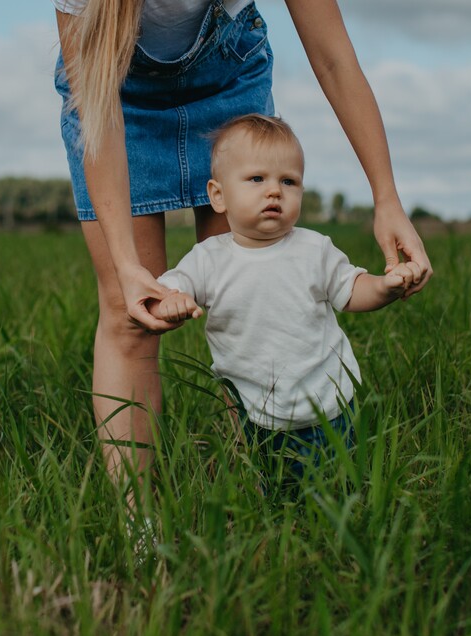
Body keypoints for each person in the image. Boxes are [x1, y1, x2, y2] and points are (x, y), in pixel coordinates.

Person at [53, 0, 433, 504]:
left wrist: (386, 197)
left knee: (250, 287)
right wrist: (127, 266)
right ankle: (138, 520)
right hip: (116, 96)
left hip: (228, 76)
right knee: (130, 316)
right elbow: (97, 109)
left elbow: (334, 57)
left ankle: (258, 493)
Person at [148, 114, 420, 479]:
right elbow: (171, 286)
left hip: (330, 402)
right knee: (268, 483)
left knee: (338, 483)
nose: (274, 190)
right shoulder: (208, 259)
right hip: (253, 409)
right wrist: (172, 301)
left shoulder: (314, 249)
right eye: (257, 179)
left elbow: (351, 289)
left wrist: (385, 286)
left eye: (288, 181)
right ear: (218, 195)